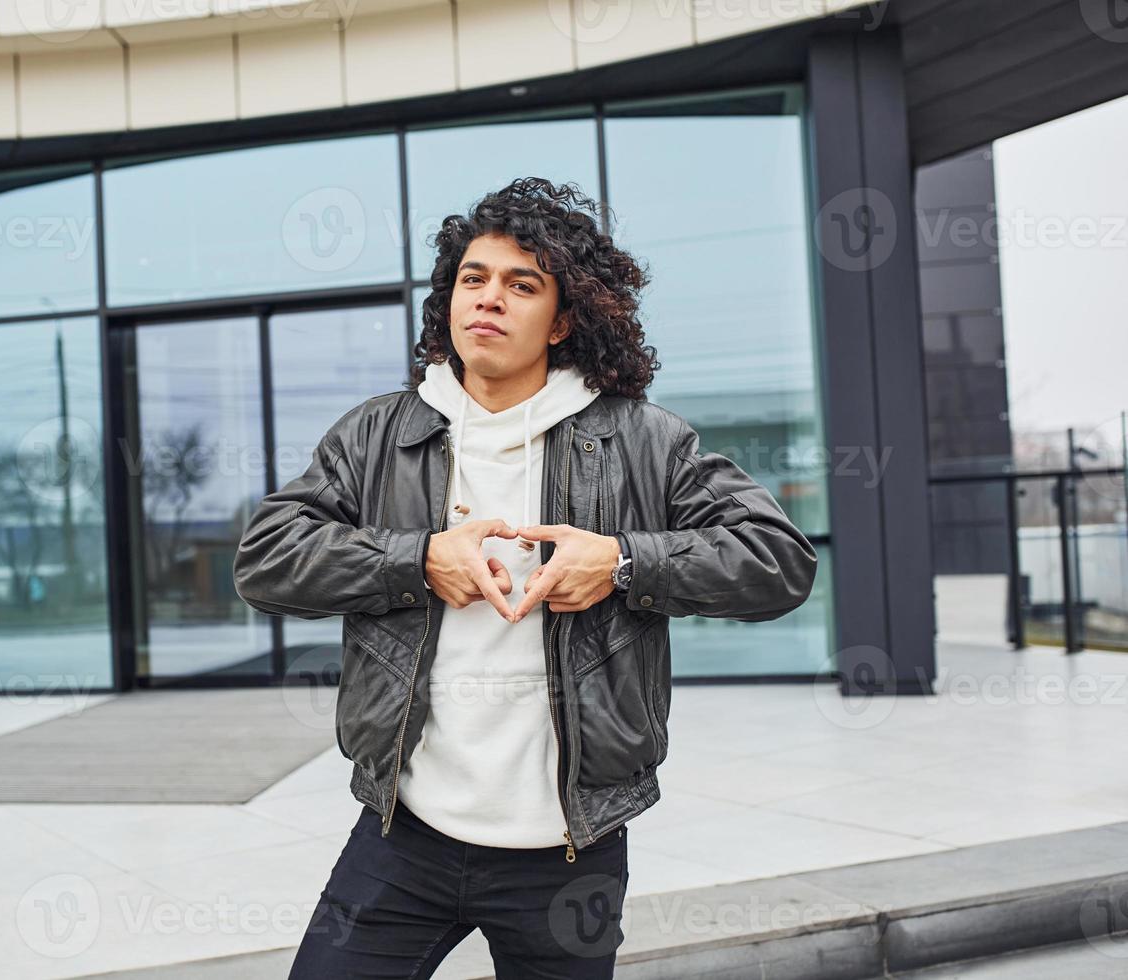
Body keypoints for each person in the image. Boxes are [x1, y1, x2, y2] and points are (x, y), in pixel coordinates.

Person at [233, 177, 817, 979]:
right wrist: (415, 559)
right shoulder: (377, 434)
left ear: (564, 317)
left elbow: (778, 560)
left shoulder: (642, 441)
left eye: (521, 284)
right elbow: (266, 558)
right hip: (403, 835)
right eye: (473, 279)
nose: (489, 299)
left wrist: (621, 563)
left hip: (570, 850)